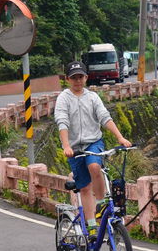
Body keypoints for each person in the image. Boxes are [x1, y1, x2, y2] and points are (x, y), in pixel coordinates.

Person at [54, 61, 132, 238]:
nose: (77, 81)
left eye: (80, 77)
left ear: (86, 78)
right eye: (74, 78)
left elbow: (104, 117)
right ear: (68, 79)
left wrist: (120, 137)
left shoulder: (92, 97)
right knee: (84, 188)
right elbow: (62, 121)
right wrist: (66, 146)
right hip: (74, 147)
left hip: (93, 142)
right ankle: (91, 226)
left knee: (95, 166)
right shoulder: (64, 98)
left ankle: (101, 204)